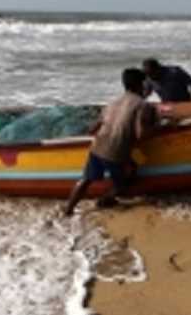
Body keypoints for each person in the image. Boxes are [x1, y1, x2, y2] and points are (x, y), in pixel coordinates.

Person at [64, 68, 156, 216]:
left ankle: (68, 210)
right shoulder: (142, 105)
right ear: (141, 84)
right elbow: (140, 134)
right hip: (116, 152)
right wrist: (157, 127)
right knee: (125, 182)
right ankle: (105, 200)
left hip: (97, 147)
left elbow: (93, 128)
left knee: (86, 179)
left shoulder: (112, 102)